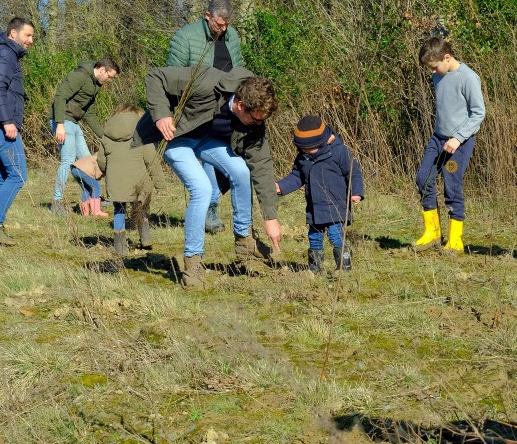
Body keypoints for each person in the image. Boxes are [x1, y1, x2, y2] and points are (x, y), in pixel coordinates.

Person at [132, 66, 282, 290]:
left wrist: (270, 216)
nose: (258, 125)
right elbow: (156, 76)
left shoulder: (254, 119)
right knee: (202, 189)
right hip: (176, 138)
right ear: (241, 105)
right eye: (255, 120)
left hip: (207, 140)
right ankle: (193, 263)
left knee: (241, 170)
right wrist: (162, 114)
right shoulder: (206, 83)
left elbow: (261, 164)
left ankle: (244, 240)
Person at [167, 0, 243, 234]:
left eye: (227, 24)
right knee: (207, 162)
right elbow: (171, 79)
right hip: (196, 111)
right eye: (219, 24)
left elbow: (239, 70)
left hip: (225, 110)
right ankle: (210, 208)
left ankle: (233, 216)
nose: (224, 29)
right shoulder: (185, 37)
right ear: (207, 16)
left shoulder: (232, 37)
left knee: (232, 161)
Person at [414, 35, 486, 253]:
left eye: (435, 67)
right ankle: (433, 232)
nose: (433, 72)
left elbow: (478, 113)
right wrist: (444, 137)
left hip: (459, 143)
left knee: (451, 185)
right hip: (438, 139)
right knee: (423, 179)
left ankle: (455, 239)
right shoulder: (438, 75)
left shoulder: (468, 78)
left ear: (447, 57)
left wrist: (457, 138)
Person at [276, 115, 364, 273]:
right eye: (303, 149)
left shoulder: (340, 152)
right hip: (314, 207)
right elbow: (297, 177)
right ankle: (315, 268)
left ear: (322, 141)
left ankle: (344, 266)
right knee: (314, 238)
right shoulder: (303, 158)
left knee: (335, 235)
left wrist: (356, 192)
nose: (307, 152)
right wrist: (280, 187)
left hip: (336, 205)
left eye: (310, 148)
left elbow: (354, 173)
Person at [0, 16, 35, 245]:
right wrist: (7, 121)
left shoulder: (1, 53)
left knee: (2, 176)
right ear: (13, 33)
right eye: (27, 35)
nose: (31, 40)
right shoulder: (5, 54)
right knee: (18, 175)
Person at [97, 104, 167, 259]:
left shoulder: (107, 134)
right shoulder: (142, 133)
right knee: (140, 208)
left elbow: (101, 160)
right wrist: (160, 184)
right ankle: (146, 238)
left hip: (116, 181)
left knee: (119, 211)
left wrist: (105, 171)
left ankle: (120, 247)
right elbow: (152, 161)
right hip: (139, 181)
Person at [50, 57, 119, 214]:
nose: (109, 80)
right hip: (62, 120)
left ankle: (90, 200)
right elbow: (60, 96)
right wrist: (59, 124)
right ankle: (57, 202)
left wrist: (104, 136)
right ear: (102, 70)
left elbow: (90, 114)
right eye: (109, 76)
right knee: (68, 160)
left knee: (86, 163)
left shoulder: (95, 86)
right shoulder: (80, 76)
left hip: (74, 122)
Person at [70, 154, 109, 218]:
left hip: (74, 168)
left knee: (86, 189)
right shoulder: (105, 159)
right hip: (83, 170)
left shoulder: (98, 155)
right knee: (96, 187)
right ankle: (96, 212)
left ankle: (85, 212)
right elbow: (100, 170)